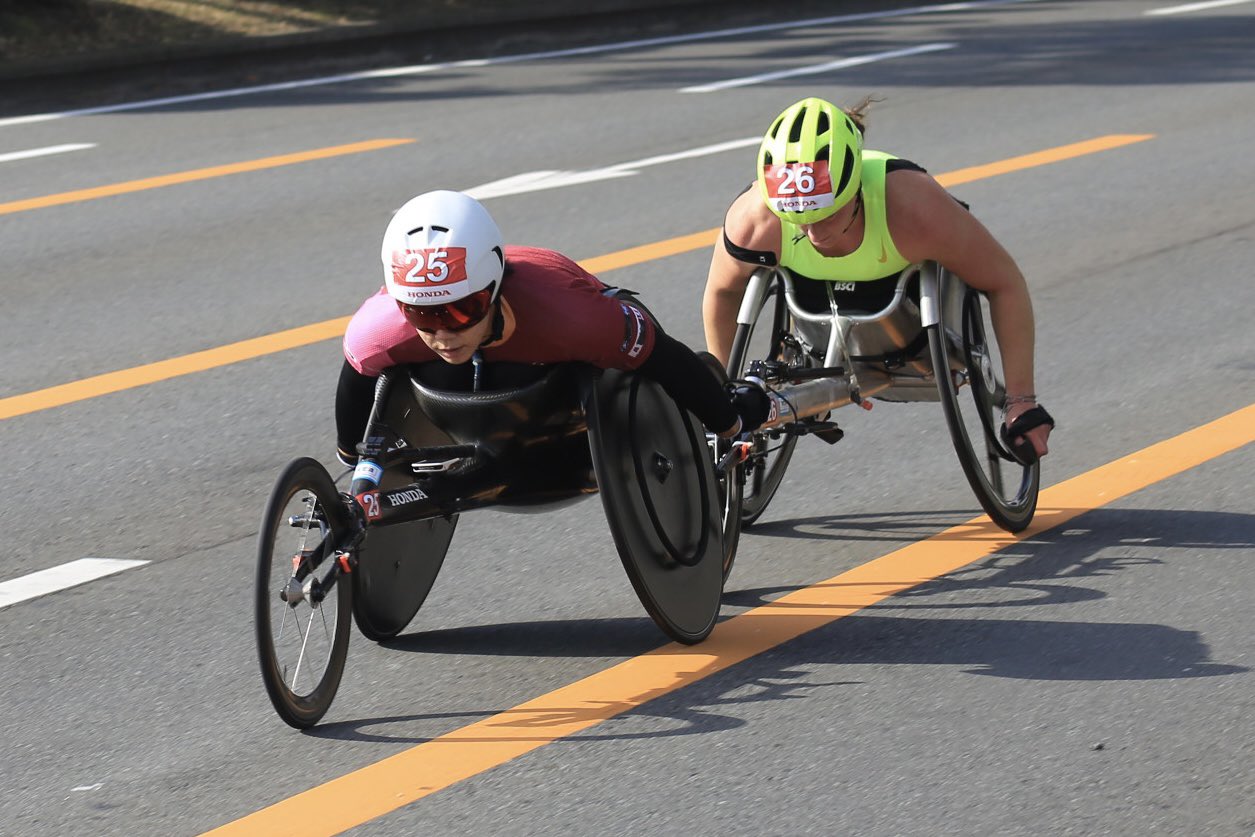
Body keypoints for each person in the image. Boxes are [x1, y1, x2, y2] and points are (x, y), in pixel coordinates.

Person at [702, 96, 1054, 461]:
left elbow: (1004, 283)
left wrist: (1022, 402)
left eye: (825, 213)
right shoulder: (755, 219)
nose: (810, 230)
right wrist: (720, 394)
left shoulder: (915, 210)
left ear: (855, 190)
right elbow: (723, 293)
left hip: (906, 300)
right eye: (796, 216)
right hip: (810, 298)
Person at [335, 189, 770, 462]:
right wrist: (352, 456)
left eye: (461, 312)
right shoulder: (379, 329)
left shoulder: (573, 317)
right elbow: (355, 384)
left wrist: (728, 422)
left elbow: (663, 356)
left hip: (558, 381)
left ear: (494, 286)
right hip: (462, 398)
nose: (442, 333)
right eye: (422, 316)